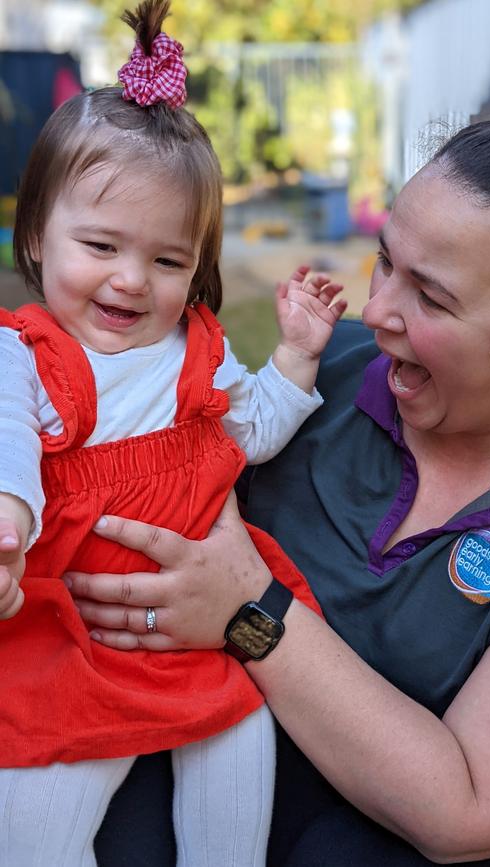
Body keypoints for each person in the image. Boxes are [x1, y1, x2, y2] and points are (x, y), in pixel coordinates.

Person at [69, 95, 490, 867]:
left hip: (478, 833)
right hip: (241, 741)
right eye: (385, 260)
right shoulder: (311, 380)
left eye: (431, 296)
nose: (375, 311)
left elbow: (466, 808)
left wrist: (252, 606)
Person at [0, 1, 347, 864]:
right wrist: (8, 508)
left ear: (197, 264)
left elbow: (248, 434)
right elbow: (4, 430)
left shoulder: (197, 352)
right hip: (82, 641)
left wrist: (297, 359)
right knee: (36, 837)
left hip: (209, 638)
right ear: (38, 234)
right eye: (102, 245)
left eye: (166, 259)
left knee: (232, 832)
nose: (131, 280)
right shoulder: (27, 355)